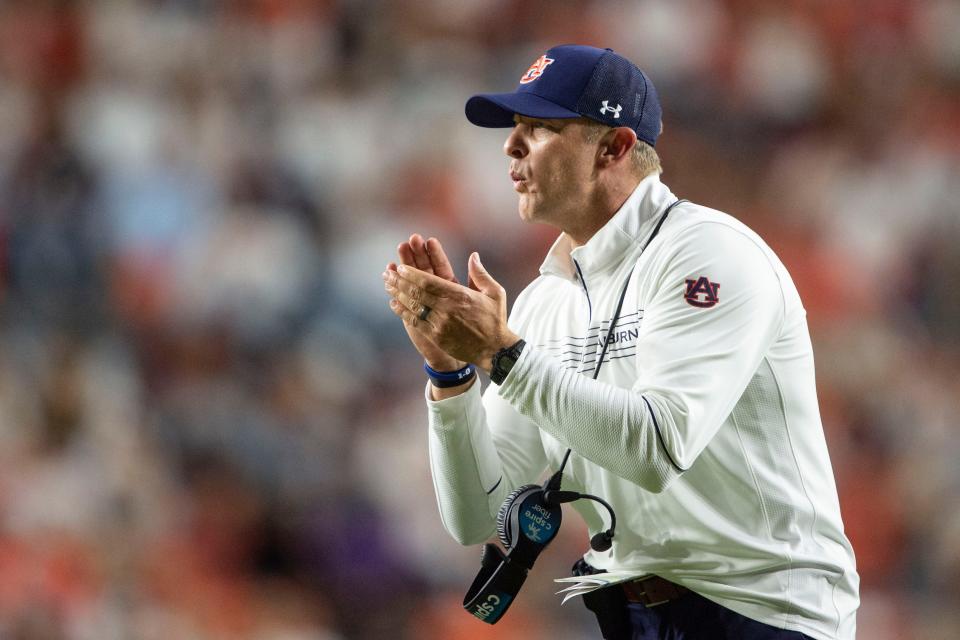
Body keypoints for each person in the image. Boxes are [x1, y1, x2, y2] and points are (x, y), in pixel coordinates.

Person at [382, 44, 858, 640]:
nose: (511, 144)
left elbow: (656, 447)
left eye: (541, 127)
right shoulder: (544, 302)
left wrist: (501, 354)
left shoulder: (707, 251)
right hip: (632, 617)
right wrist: (452, 379)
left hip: (764, 611)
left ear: (615, 147)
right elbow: (479, 515)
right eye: (515, 127)